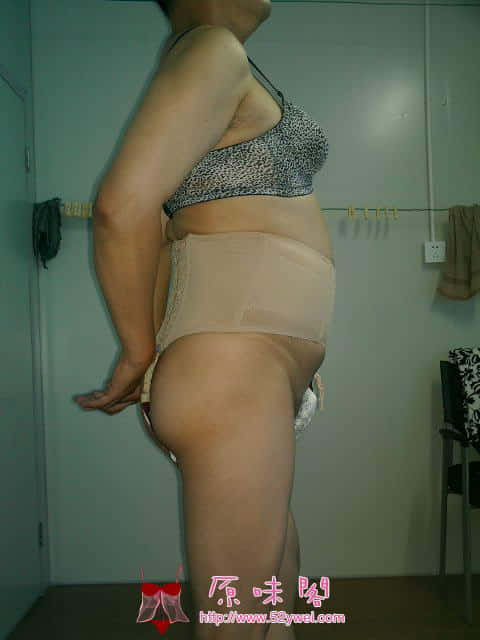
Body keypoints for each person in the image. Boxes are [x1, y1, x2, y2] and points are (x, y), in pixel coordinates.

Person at [75, 1, 335, 638]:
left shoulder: (213, 57)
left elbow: (167, 234)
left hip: (251, 370)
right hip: (233, 370)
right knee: (240, 621)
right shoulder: (211, 47)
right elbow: (120, 209)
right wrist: (137, 352)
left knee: (273, 601)